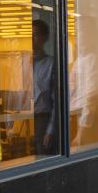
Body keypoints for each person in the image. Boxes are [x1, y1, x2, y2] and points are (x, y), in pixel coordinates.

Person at [32, 19, 57, 156]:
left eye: (35, 35)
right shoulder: (23, 63)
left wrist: (50, 130)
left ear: (44, 38)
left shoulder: (51, 64)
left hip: (43, 120)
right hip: (26, 120)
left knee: (42, 158)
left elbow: (56, 100)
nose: (31, 39)